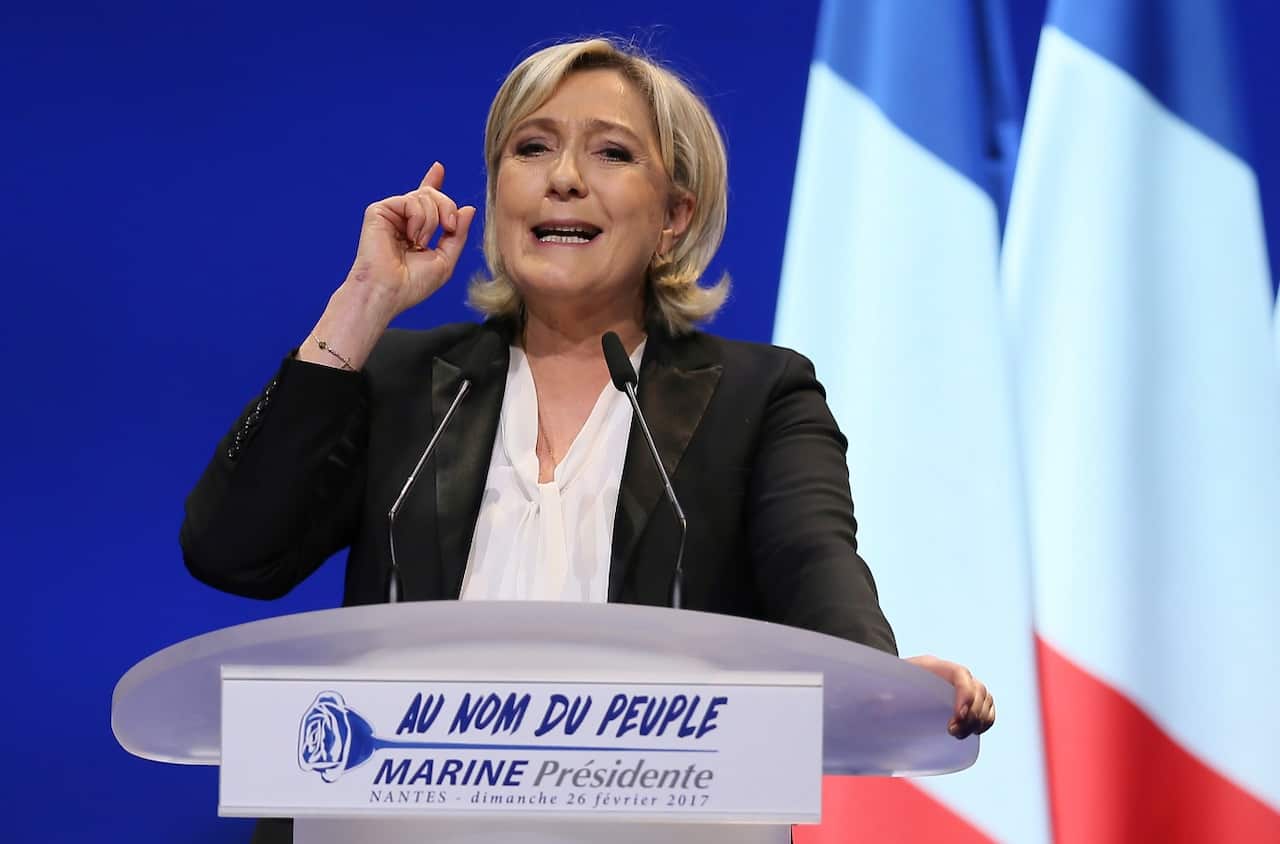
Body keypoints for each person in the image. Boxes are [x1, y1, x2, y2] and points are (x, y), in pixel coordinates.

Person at [181, 38, 994, 840]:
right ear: (498, 195)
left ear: (675, 214)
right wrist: (361, 302)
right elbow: (232, 551)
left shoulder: (758, 397)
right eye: (532, 148)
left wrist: (882, 679)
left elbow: (815, 565)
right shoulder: (400, 379)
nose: (563, 177)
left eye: (611, 154)